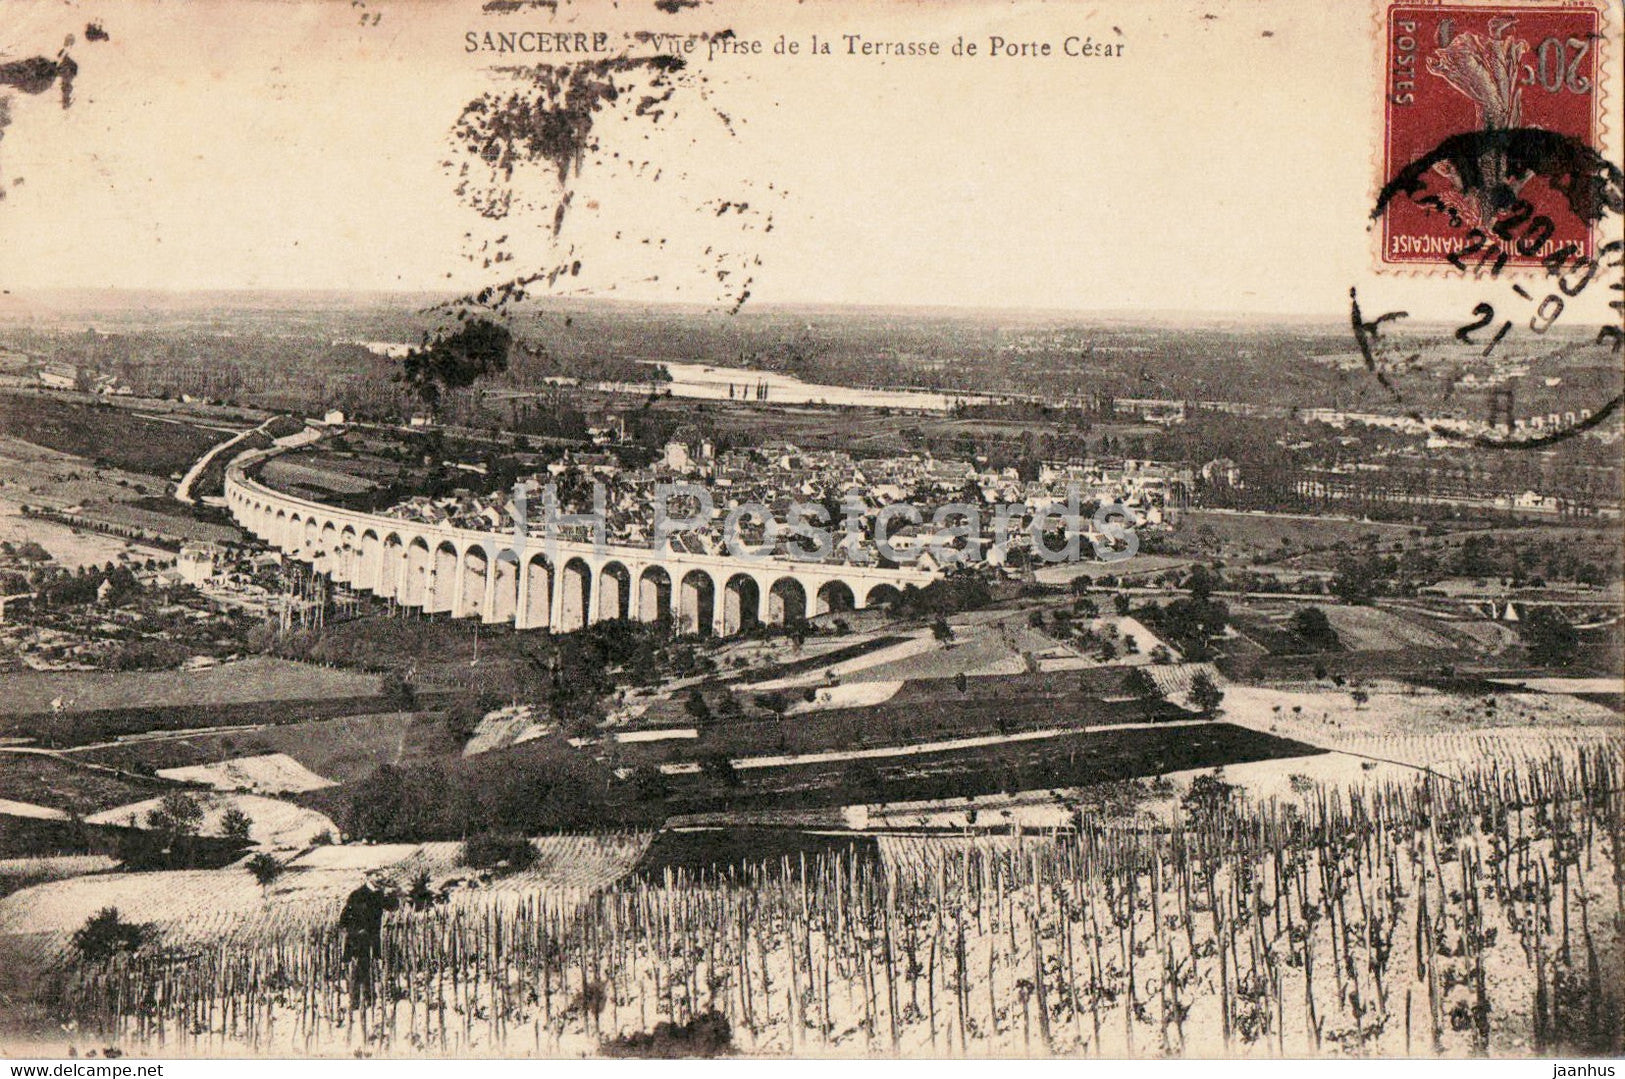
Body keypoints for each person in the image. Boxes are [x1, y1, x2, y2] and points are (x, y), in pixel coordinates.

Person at [338, 872, 399, 1004]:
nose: (380, 877)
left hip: (374, 938)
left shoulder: (379, 894)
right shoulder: (357, 895)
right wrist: (357, 931)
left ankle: (369, 999)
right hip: (358, 939)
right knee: (358, 970)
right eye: (376, 874)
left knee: (370, 969)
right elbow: (344, 919)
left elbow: (393, 907)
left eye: (380, 874)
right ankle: (355, 1002)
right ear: (368, 877)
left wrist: (393, 893)